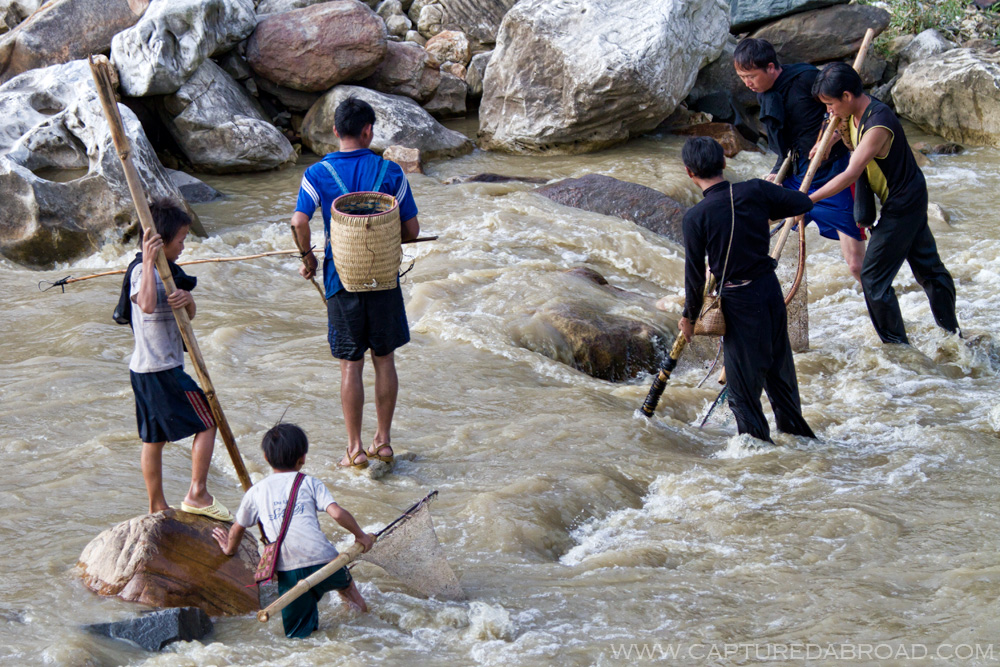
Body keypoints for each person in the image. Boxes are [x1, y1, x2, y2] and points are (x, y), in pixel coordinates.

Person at [290, 97, 420, 469]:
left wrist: (308, 257)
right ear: (368, 131)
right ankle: (384, 442)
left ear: (335, 131)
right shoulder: (390, 172)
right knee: (384, 360)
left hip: (340, 281)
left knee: (350, 366)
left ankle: (355, 448)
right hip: (382, 280)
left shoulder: (316, 173)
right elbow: (411, 230)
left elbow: (299, 222)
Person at [808, 63, 959, 345]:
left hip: (904, 202)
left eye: (830, 104)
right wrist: (828, 140)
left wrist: (808, 199)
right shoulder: (850, 115)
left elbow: (851, 173)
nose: (829, 111)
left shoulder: (878, 123)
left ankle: (897, 347)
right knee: (929, 269)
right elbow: (840, 130)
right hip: (903, 196)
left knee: (873, 278)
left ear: (847, 96)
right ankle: (954, 335)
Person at [678, 137, 817, 444]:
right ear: (724, 163)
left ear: (689, 172)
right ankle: (803, 445)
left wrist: (688, 318)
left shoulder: (695, 218)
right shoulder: (754, 190)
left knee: (742, 396)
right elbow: (803, 203)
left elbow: (694, 279)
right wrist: (768, 200)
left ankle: (758, 459)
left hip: (739, 301)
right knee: (780, 380)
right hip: (769, 292)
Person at [212, 423, 374, 639]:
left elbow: (238, 527)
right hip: (325, 562)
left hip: (290, 571)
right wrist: (360, 536)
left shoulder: (255, 491)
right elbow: (336, 513)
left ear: (265, 458)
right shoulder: (309, 482)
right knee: (350, 595)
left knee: (300, 637)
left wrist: (228, 549)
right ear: (303, 458)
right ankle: (368, 634)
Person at [128, 202, 232, 520]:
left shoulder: (171, 272)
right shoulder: (141, 271)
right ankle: (197, 493)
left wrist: (188, 300)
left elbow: (188, 315)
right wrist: (147, 263)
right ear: (162, 240)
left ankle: (157, 505)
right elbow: (145, 305)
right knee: (209, 421)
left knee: (155, 438)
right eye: (181, 240)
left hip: (147, 369)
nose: (184, 247)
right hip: (160, 369)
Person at [734, 38, 866, 283]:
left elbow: (848, 108)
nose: (747, 83)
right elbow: (785, 146)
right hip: (796, 176)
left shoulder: (806, 79)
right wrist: (777, 173)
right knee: (752, 222)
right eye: (742, 77)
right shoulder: (764, 94)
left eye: (751, 76)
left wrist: (831, 137)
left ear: (771, 67)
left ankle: (881, 307)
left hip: (833, 176)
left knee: (857, 266)